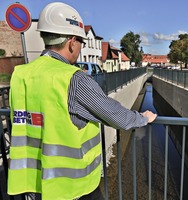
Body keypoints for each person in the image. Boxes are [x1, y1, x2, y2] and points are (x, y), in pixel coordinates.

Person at [7, 2, 157, 200]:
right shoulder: (73, 78)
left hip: (31, 184)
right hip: (71, 188)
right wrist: (142, 118)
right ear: (72, 42)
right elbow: (114, 114)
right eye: (81, 42)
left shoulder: (21, 75)